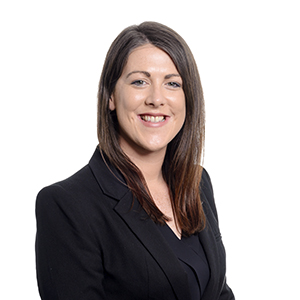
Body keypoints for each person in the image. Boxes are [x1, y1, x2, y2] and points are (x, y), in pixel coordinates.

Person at [35, 21, 235, 300]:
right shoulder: (68, 205)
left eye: (172, 83)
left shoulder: (198, 182)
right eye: (140, 81)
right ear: (111, 97)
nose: (156, 98)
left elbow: (218, 292)